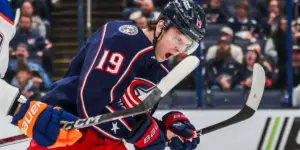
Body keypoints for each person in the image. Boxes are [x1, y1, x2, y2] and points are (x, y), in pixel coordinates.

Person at [1, 0, 207, 150]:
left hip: (107, 143)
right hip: (68, 137)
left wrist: (167, 130)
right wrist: (144, 131)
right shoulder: (124, 37)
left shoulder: (159, 69)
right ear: (162, 26)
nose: (180, 48)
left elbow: (129, 119)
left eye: (187, 45)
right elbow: (92, 102)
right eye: (178, 38)